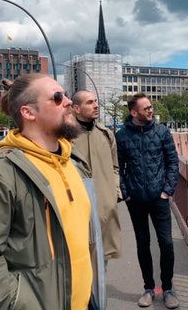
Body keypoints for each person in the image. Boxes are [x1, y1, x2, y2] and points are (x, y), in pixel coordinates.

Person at [0, 73, 95, 310]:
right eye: (57, 97)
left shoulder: (72, 162)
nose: (69, 102)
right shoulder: (0, 175)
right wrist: (20, 305)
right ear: (28, 113)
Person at [116, 93, 180, 309]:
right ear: (134, 113)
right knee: (143, 244)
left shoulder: (162, 132)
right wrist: (126, 193)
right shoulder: (122, 136)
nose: (151, 111)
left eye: (151, 107)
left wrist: (167, 190)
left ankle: (168, 289)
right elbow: (118, 168)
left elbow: (173, 162)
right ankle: (148, 288)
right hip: (135, 200)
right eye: (146, 108)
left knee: (167, 243)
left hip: (158, 198)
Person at [71, 90, 122, 262]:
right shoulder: (65, 136)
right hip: (76, 209)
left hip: (104, 209)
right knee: (79, 259)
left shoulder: (106, 134)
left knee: (102, 259)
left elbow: (115, 167)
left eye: (95, 101)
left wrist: (114, 194)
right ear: (76, 109)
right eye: (90, 102)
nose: (96, 105)